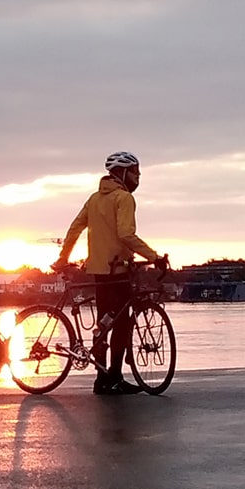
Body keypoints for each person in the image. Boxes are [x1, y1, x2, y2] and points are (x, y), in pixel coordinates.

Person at [52, 151, 168, 395]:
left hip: (98, 270)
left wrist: (63, 258)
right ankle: (114, 376)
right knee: (122, 324)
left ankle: (102, 378)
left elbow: (75, 228)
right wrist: (154, 257)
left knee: (103, 323)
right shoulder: (123, 198)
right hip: (118, 270)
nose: (138, 177)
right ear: (123, 173)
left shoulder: (94, 199)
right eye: (135, 172)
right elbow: (126, 234)